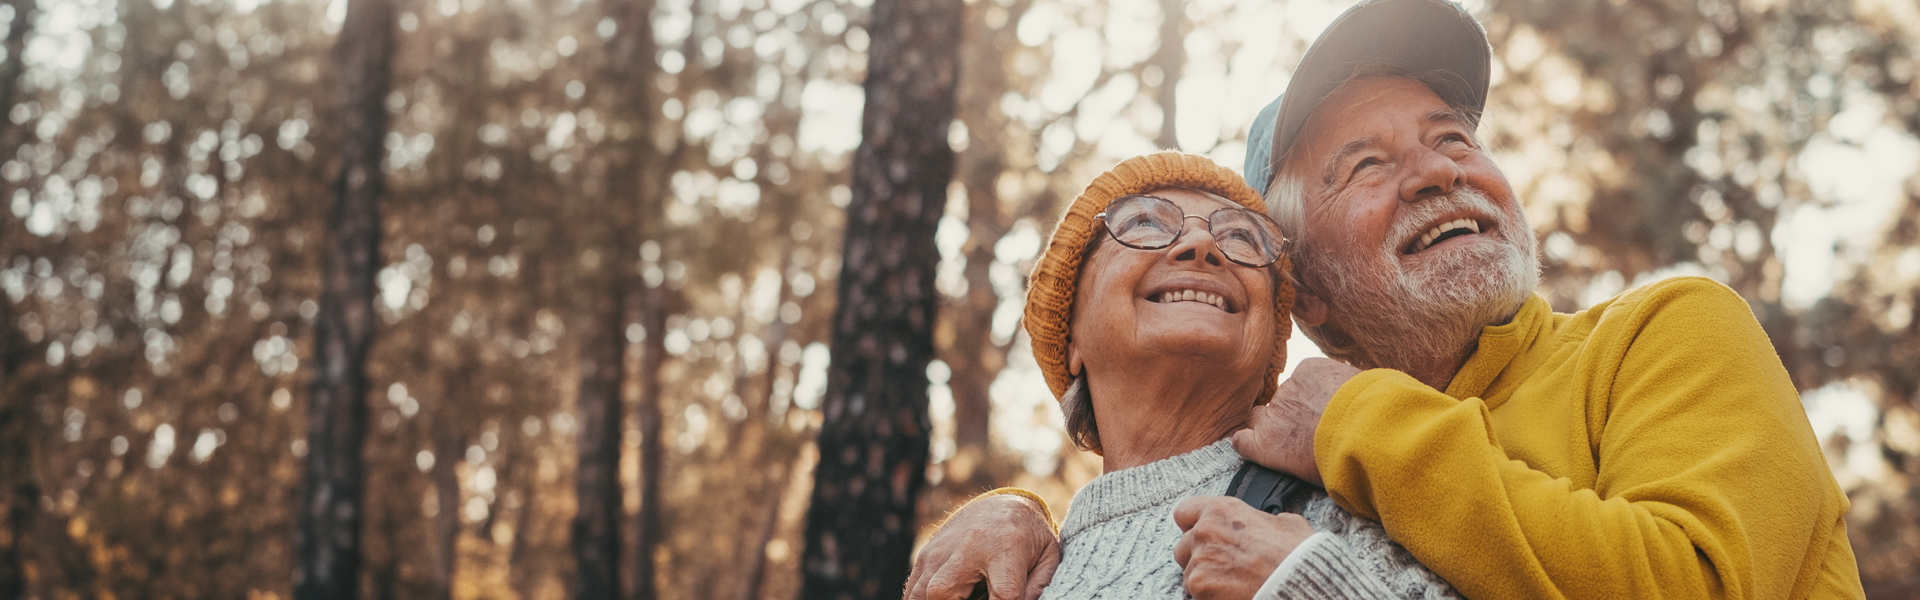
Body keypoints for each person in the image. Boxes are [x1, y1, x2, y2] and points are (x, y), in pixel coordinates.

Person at [905, 0, 1868, 599]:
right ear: (1308, 294)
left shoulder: (1665, 331)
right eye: (1365, 164)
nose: (1434, 175)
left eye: (1452, 140)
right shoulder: (1315, 480)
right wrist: (1025, 525)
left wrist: (1357, 425)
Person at [902, 151, 1459, 600]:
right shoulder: (1005, 571)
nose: (1202, 246)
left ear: (1270, 340)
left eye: (1242, 238)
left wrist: (1309, 583)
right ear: (1070, 336)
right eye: (1144, 223)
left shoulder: (1355, 506)